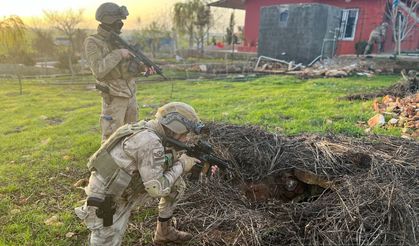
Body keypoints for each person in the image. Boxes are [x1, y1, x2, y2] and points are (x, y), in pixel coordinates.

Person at [75, 102, 204, 245]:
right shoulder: (149, 141)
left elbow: (159, 163)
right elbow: (157, 189)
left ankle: (164, 232)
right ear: (175, 127)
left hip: (125, 186)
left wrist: (192, 165)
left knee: (176, 185)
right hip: (107, 200)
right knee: (107, 240)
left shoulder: (150, 130)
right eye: (185, 133)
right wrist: (182, 164)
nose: (186, 139)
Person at [85, 2, 155, 142]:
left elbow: (127, 66)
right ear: (107, 20)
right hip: (114, 95)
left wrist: (143, 67)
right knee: (112, 137)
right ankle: (106, 164)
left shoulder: (118, 40)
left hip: (130, 94)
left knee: (133, 134)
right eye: (116, 21)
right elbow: (98, 70)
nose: (119, 24)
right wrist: (118, 54)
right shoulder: (92, 42)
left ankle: (128, 163)